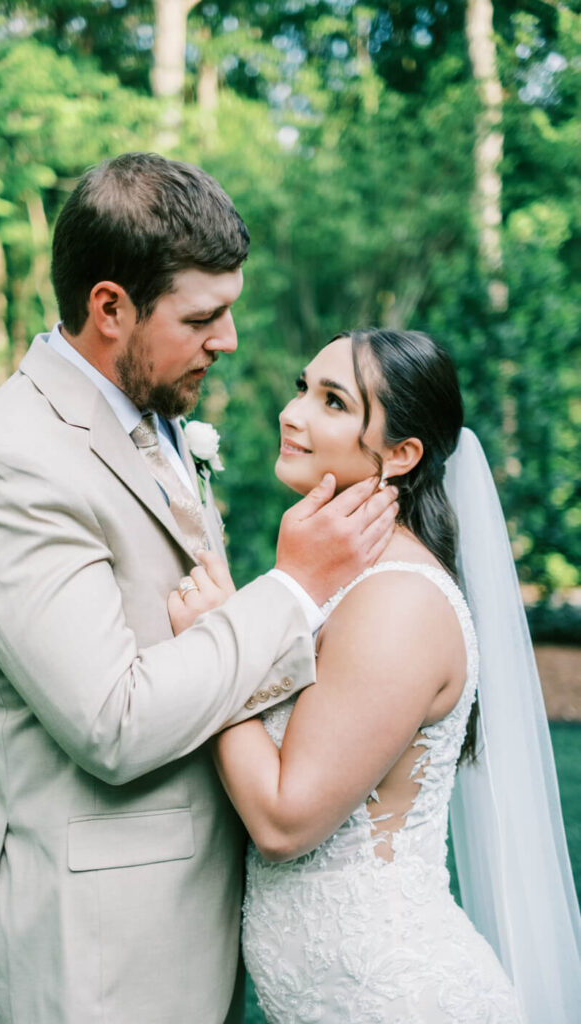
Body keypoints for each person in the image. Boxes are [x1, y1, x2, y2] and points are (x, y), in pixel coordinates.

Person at [0, 155, 399, 1024]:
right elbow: (114, 721)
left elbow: (197, 635)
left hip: (204, 919)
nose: (228, 340)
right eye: (203, 317)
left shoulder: (159, 416)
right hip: (107, 953)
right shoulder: (9, 463)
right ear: (110, 307)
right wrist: (292, 591)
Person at [170, 328, 581, 1023]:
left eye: (333, 402)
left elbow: (281, 818)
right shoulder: (339, 581)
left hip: (402, 999)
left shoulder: (399, 600)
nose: (293, 413)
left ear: (400, 454)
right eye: (304, 388)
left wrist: (219, 645)